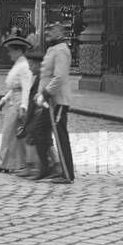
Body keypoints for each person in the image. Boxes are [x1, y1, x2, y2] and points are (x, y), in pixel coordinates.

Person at [0, 35, 33, 174]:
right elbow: (14, 87)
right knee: (10, 134)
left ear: (18, 51)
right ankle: (9, 163)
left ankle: (8, 163)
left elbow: (26, 88)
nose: (9, 54)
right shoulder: (18, 65)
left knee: (11, 134)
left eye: (11, 51)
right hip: (13, 101)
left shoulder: (24, 66)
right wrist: (4, 99)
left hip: (18, 103)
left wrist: (24, 107)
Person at [40, 20, 75, 183]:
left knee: (61, 137)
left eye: (51, 30)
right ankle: (52, 167)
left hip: (58, 99)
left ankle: (67, 174)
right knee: (43, 132)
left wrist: (47, 92)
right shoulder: (54, 48)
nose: (47, 32)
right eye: (46, 29)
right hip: (52, 100)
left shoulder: (61, 50)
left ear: (60, 32)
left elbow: (59, 76)